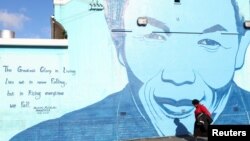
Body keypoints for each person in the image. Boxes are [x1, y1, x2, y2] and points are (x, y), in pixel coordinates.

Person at [10, 0, 250, 141]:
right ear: (119, 45)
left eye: (210, 42)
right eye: (154, 37)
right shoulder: (47, 133)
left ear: (240, 50)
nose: (179, 76)